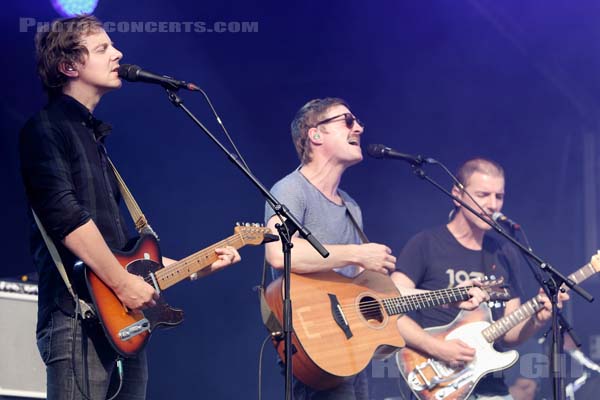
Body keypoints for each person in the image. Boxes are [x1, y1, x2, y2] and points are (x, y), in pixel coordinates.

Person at [19, 15, 240, 400]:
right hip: (78, 318)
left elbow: (122, 249)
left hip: (122, 322)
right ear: (69, 65)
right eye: (103, 48)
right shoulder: (45, 129)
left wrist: (195, 267)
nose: (118, 53)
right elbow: (67, 220)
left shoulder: (94, 139)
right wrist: (123, 285)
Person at [263, 99, 487, 400]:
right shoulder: (291, 189)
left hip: (352, 352)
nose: (359, 127)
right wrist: (357, 254)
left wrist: (451, 297)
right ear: (316, 135)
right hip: (314, 344)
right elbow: (278, 253)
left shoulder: (350, 207)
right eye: (347, 120)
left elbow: (373, 294)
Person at [392, 158, 568, 400]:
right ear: (457, 194)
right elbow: (389, 308)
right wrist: (438, 348)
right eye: (483, 194)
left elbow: (508, 335)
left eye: (499, 196)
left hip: (491, 387)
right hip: (437, 380)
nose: (492, 204)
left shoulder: (505, 252)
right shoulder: (426, 244)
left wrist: (537, 319)